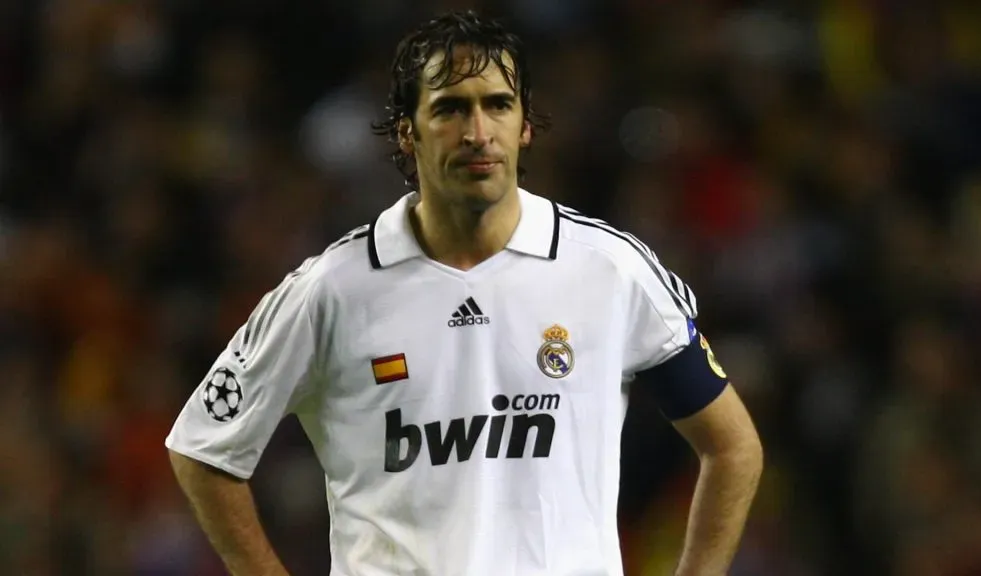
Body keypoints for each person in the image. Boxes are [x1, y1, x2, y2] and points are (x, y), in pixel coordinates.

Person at [165, 10, 762, 576]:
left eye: (498, 105)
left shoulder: (609, 271)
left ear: (525, 125)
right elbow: (203, 449)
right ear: (408, 133)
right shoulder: (332, 290)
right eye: (450, 109)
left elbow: (732, 448)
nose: (478, 132)